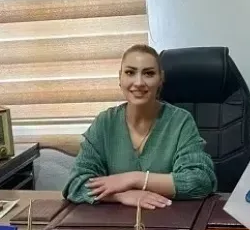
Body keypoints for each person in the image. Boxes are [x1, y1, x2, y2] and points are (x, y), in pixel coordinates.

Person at [62, 44, 217, 209]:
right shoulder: (105, 122)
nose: (139, 82)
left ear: (160, 79)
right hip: (114, 220)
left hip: (167, 217)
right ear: (120, 78)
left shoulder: (180, 121)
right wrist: (121, 196)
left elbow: (200, 181)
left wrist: (134, 179)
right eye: (130, 72)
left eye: (149, 73)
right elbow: (76, 183)